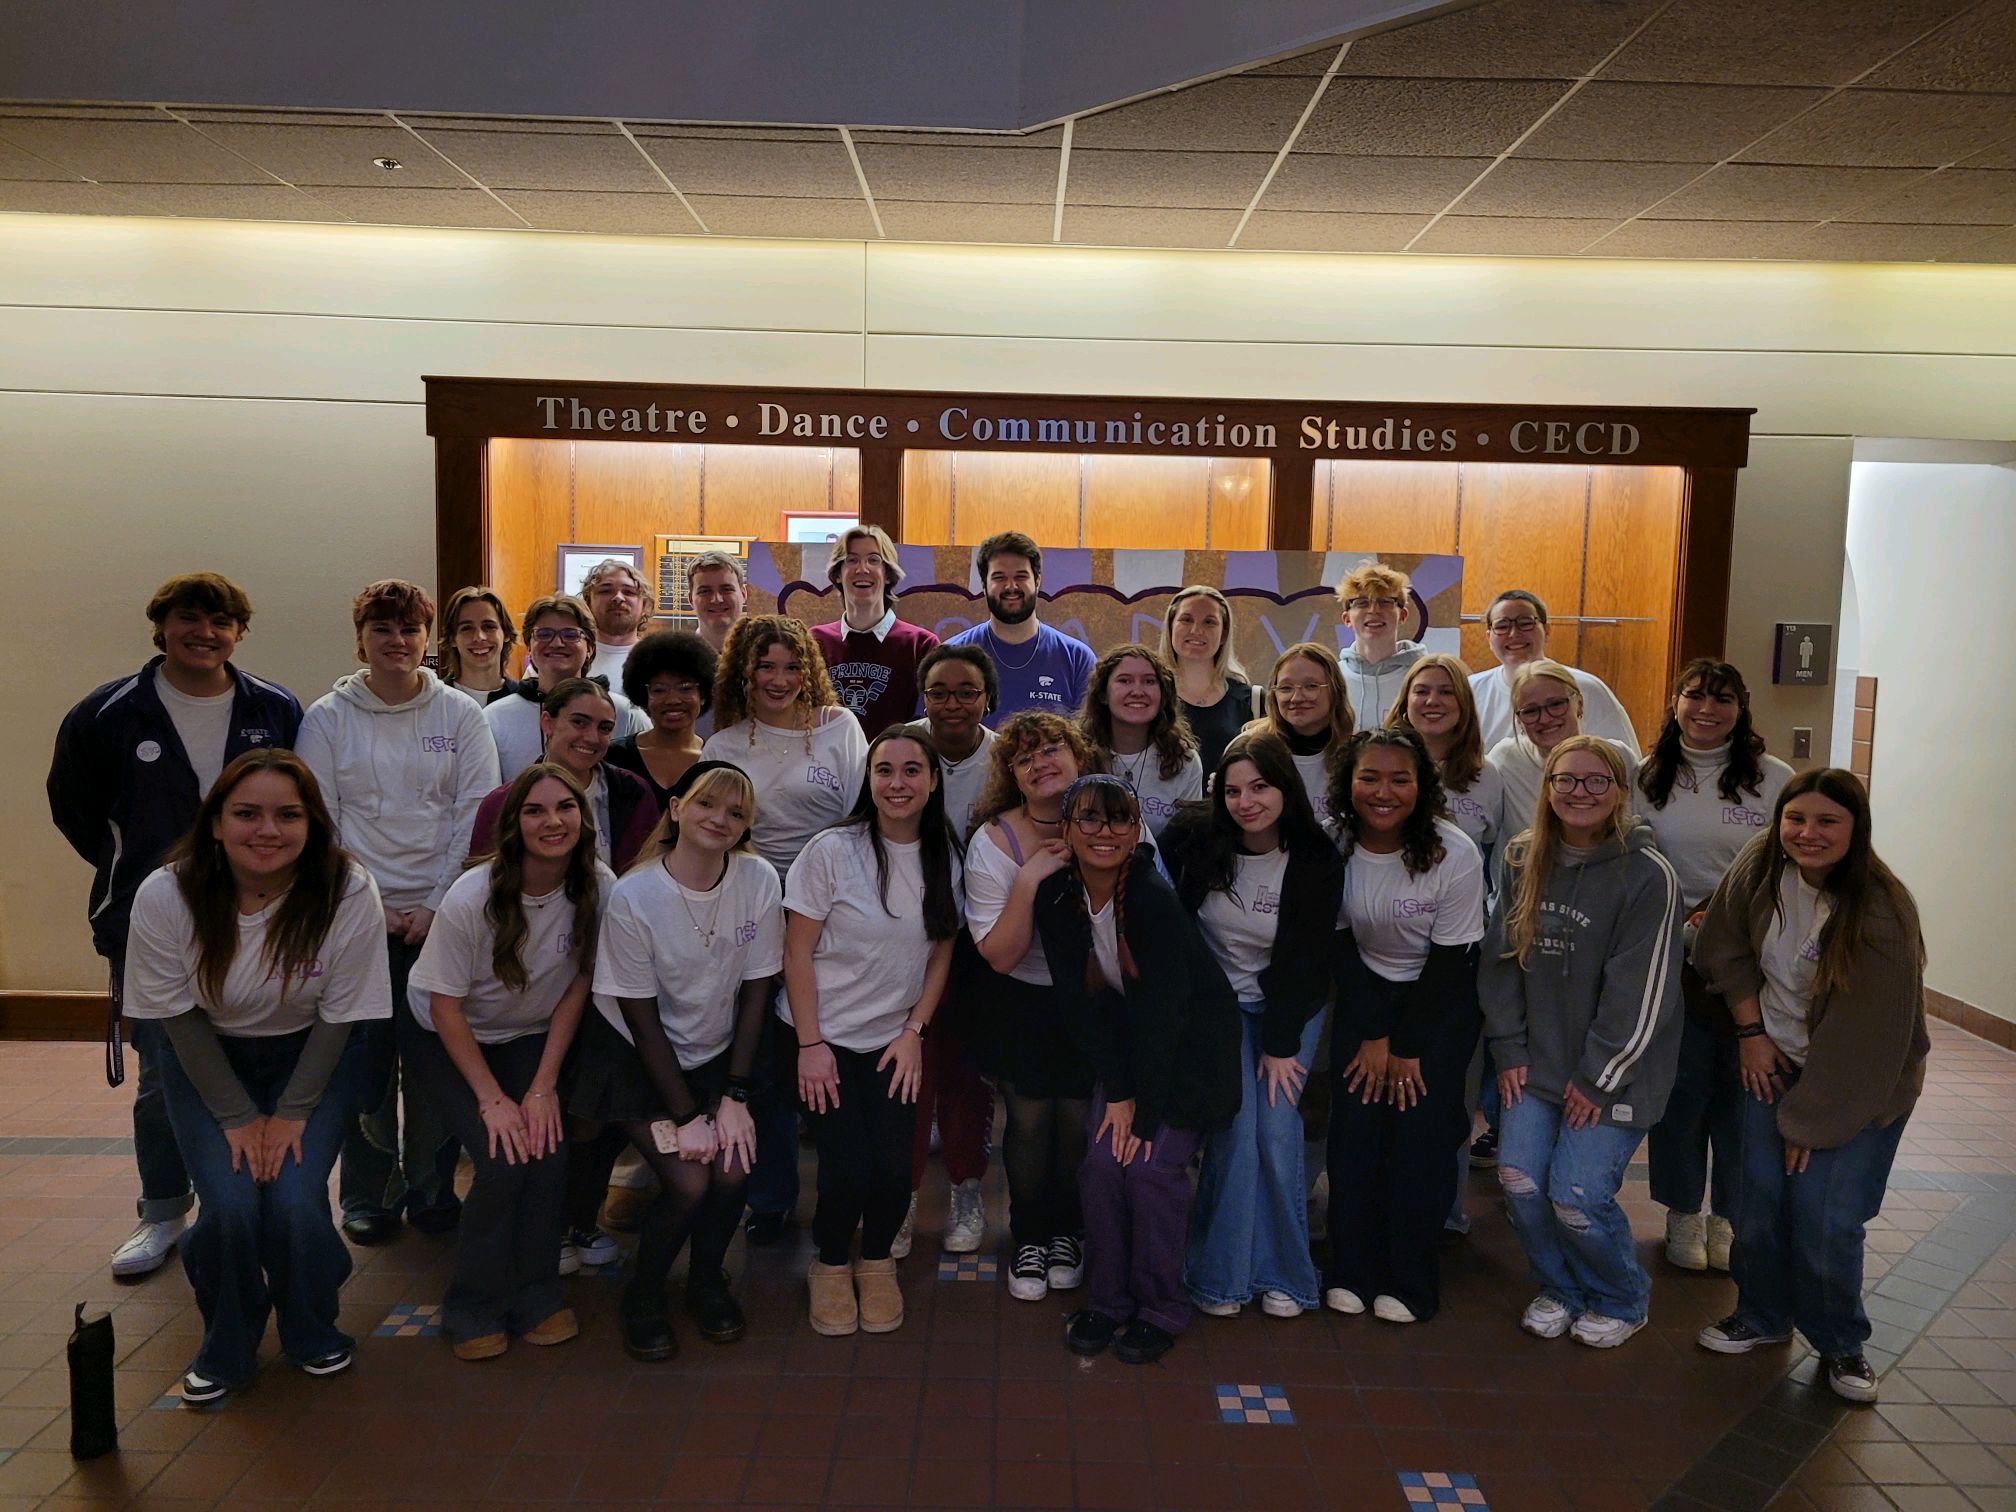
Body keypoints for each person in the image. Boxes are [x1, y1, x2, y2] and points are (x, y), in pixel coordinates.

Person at [49, 571, 303, 1278]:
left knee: (257, 1064)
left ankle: (255, 1203)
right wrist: (137, 871)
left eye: (221, 622)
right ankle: (163, 1212)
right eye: (190, 619)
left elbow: (298, 805)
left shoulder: (274, 708)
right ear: (160, 627)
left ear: (238, 634)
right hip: (149, 923)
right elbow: (74, 808)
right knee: (164, 1078)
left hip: (260, 918)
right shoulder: (109, 713)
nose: (205, 633)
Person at [121, 750, 389, 1403]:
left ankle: (310, 1329)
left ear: (312, 824)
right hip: (206, 1059)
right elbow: (178, 1021)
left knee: (295, 1200)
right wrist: (239, 1117)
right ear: (215, 823)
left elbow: (340, 1017)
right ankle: (227, 1345)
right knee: (233, 1205)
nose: (266, 830)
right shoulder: (167, 893)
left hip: (313, 1058)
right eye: (247, 813)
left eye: (287, 815)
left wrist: (291, 1112)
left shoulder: (347, 888)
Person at [1692, 770, 1927, 1404]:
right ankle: (1764, 1316)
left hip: (1861, 1082)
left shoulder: (1882, 908)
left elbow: (1866, 1038)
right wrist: (1751, 1034)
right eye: (1796, 818)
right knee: (1755, 1203)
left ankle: (1841, 1342)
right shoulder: (1761, 865)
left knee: (1827, 1218)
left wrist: (1811, 1122)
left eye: (1828, 821)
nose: (1808, 833)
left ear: (1856, 830)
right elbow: (1723, 947)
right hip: (1768, 1058)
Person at [297, 579, 502, 1246]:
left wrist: (440, 903)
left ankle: (433, 1189)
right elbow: (319, 823)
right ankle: (368, 1195)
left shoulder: (460, 717)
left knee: (438, 1064)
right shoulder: (328, 718)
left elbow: (476, 817)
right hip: (359, 917)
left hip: (444, 919)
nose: (397, 642)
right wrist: (374, 906)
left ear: (427, 639)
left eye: (410, 629)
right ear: (360, 639)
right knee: (367, 1064)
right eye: (383, 630)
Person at [571, 760, 781, 1361]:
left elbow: (757, 990)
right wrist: (688, 1114)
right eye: (708, 804)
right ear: (677, 808)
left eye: (736, 812)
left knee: (735, 1166)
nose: (721, 818)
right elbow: (637, 1015)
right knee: (689, 1183)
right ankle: (644, 1291)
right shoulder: (636, 894)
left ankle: (707, 1278)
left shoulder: (758, 879)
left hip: (717, 1052)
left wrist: (735, 1096)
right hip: (639, 1058)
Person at [1482, 735, 1683, 1349]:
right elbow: (1500, 962)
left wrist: (1598, 1077)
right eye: (1565, 779)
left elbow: (1641, 992)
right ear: (1546, 789)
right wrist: (1510, 1049)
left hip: (1614, 1073)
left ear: (1622, 793)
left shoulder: (1649, 874)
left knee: (1575, 1195)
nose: (1580, 793)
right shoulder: (1523, 858)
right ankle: (1562, 1288)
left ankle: (1620, 1296)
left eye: (1598, 781)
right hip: (1536, 1065)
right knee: (1519, 1181)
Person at [1034, 776, 1239, 1365]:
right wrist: (1118, 1093)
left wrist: (1139, 1109)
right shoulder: (1056, 897)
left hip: (1190, 1058)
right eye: (1090, 820)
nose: (1105, 832)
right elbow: (1083, 1004)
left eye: (1119, 820)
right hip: (1130, 1057)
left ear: (1136, 831)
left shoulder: (1151, 899)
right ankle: (1107, 1298)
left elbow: (1168, 1017)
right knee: (1101, 1166)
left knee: (1147, 1170)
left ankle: (1160, 1306)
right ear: (1067, 830)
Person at [404, 762, 602, 1360]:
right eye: (535, 810)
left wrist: (542, 1087)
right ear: (513, 824)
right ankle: (473, 1306)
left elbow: (578, 987)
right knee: (500, 1158)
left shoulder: (598, 886)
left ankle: (537, 1294)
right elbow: (444, 1006)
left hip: (528, 1035)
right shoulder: (474, 895)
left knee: (545, 1149)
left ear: (583, 818)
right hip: (444, 1033)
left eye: (565, 808)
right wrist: (492, 1100)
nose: (552, 821)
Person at [1162, 730, 1343, 1320]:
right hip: (1218, 1009)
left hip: (1287, 1008)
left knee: (1278, 1133)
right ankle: (1220, 1278)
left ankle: (1286, 1274)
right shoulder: (1194, 840)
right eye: (1234, 790)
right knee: (1238, 1133)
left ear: (1285, 788)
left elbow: (1308, 961)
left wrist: (1281, 1044)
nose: (1247, 802)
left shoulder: (1315, 858)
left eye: (1260, 787)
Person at [785, 728, 961, 1335]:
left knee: (893, 1168)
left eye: (912, 770)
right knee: (845, 1167)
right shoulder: (832, 850)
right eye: (884, 770)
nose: (897, 783)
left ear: (933, 781)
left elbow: (942, 951)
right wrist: (810, 1046)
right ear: (869, 779)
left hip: (894, 1040)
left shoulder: (946, 854)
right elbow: (797, 953)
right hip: (824, 1038)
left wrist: (915, 1030)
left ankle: (876, 1258)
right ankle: (831, 1262)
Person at [701, 615, 868, 1247]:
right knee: (768, 1058)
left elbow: (861, 815)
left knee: (832, 1050)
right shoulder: (724, 744)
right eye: (765, 667)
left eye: (792, 666)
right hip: (756, 906)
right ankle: (770, 1198)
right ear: (743, 670)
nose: (779, 679)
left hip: (833, 905)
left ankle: (842, 1194)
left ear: (810, 670)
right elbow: (720, 833)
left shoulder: (838, 728)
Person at [1638, 661, 1794, 1275]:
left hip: (1747, 965)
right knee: (1680, 1092)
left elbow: (1789, 866)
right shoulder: (1643, 775)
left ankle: (1728, 1217)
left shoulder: (1772, 779)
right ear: (1675, 702)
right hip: (1666, 961)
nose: (1707, 708)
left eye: (1722, 698)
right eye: (1694, 695)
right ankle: (1681, 1214)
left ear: (1742, 707)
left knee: (1743, 1092)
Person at [1324, 729, 1485, 1324]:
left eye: (1400, 779)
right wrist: (1372, 1034)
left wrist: (1408, 1046)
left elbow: (1452, 963)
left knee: (1421, 1143)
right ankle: (1350, 1270)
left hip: (1439, 1004)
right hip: (1365, 997)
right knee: (1355, 1139)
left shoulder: (1454, 852)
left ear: (1422, 785)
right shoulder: (1336, 844)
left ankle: (1412, 1280)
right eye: (1369, 777)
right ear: (1348, 783)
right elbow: (1339, 943)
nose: (1383, 791)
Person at [966, 712, 1103, 1302]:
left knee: (1075, 1119)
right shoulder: (994, 840)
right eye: (1025, 758)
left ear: (1078, 758)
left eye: (1052, 750)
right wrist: (1029, 879)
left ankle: (1067, 1230)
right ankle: (1028, 1233)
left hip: (1091, 996)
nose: (1041, 762)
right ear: (1014, 778)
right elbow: (998, 954)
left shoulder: (1114, 818)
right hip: (1019, 994)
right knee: (1027, 1119)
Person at [1388, 653, 1507, 1178]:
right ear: (1405, 701)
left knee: (1450, 1082)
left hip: (1458, 951)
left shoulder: (1488, 778)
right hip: (1383, 942)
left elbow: (1501, 861)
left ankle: (1448, 1206)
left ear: (1464, 706)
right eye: (1422, 691)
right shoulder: (1379, 762)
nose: (1432, 702)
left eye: (1445, 693)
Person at [900, 643, 1001, 1257]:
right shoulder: (900, 747)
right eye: (939, 691)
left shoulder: (1003, 760)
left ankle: (966, 1186)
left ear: (988, 697)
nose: (953, 703)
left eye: (967, 691)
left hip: (981, 941)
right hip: (906, 938)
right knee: (910, 1072)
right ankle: (903, 1195)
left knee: (967, 1073)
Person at [470, 678, 661, 874]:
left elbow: (647, 876)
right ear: (547, 723)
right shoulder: (502, 803)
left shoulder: (633, 793)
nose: (592, 737)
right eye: (579, 722)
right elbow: (485, 883)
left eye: (604, 728)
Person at [486, 594, 647, 781]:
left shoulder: (625, 713)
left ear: (590, 648)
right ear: (529, 646)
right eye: (544, 634)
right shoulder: (494, 717)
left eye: (571, 635)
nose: (556, 643)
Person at [947, 531, 1095, 726]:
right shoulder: (950, 657)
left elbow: (1089, 741)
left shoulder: (1077, 659)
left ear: (1037, 582)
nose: (1011, 586)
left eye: (1021, 576)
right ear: (984, 585)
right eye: (999, 577)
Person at [1470, 590, 1640, 755]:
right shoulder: (1470, 690)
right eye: (1502, 626)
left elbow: (1624, 766)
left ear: (1547, 630)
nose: (1514, 634)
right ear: (1489, 638)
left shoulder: (1587, 688)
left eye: (1525, 623)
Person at [811, 524, 941, 739]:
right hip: (828, 768)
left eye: (873, 560)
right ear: (837, 574)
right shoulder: (815, 642)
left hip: (897, 767)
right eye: (851, 560)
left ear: (888, 574)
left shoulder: (921, 645)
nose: (862, 569)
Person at [1487, 659, 1636, 840]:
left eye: (1556, 704)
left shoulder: (1618, 757)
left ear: (1579, 704)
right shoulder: (1506, 760)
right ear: (1518, 719)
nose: (1545, 719)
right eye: (1530, 711)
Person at [1079, 643, 1202, 836]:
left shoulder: (1184, 760)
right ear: (1103, 694)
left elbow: (1186, 841)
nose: (1137, 691)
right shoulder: (1077, 753)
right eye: (1125, 681)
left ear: (1162, 695)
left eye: (1149, 681)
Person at [608, 627, 718, 807]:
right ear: (643, 697)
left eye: (685, 688)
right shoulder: (614, 758)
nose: (673, 700)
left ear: (704, 695)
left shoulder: (714, 760)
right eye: (659, 690)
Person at [1253, 642, 1355, 828]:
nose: (1297, 698)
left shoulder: (1356, 754)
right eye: (1285, 688)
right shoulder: (1249, 750)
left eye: (1311, 686)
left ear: (1335, 690)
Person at [1159, 585, 1254, 775]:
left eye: (1209, 622)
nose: (1196, 630)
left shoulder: (1252, 701)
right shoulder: (1150, 696)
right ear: (1170, 628)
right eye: (1186, 619)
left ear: (1223, 635)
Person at [1336, 561, 1425, 725]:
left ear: (1403, 615)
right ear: (1347, 619)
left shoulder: (1423, 678)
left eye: (1385, 602)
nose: (1374, 610)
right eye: (1362, 603)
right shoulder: (1333, 679)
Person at [436, 586, 519, 705]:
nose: (479, 637)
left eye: (489, 626)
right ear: (452, 638)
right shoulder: (435, 702)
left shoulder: (525, 702)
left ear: (506, 633)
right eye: (467, 628)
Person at [579, 558, 651, 690]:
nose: (618, 598)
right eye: (605, 591)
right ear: (588, 602)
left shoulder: (660, 659)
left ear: (644, 605)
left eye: (629, 592)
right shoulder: (569, 656)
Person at [687, 550, 749, 659]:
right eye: (705, 591)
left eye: (726, 589)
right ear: (691, 599)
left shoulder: (762, 657)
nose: (717, 599)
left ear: (743, 594)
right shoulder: (676, 659)